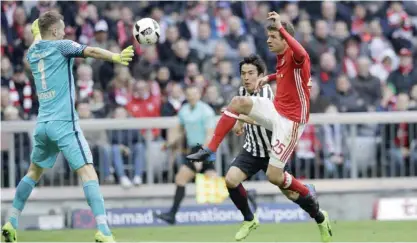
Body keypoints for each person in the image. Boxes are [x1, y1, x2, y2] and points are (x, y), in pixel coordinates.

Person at [187, 12, 332, 242]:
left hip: (291, 121)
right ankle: (210, 150)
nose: (268, 40)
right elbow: (285, 74)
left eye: (273, 36)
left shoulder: (296, 55)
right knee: (237, 102)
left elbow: (302, 54)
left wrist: (281, 28)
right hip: (276, 112)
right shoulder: (281, 57)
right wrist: (272, 76)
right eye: (269, 36)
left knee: (276, 178)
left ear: (285, 38)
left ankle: (316, 210)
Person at [2, 11, 134, 243]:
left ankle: (11, 221)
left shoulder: (33, 52)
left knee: (33, 172)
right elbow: (90, 51)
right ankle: (103, 230)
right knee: (88, 172)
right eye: (62, 28)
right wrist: (115, 57)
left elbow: (37, 37)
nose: (64, 32)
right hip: (64, 124)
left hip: (42, 124)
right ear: (54, 31)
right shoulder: (61, 46)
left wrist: (36, 31)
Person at [226, 54, 328, 241]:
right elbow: (241, 114)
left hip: (274, 149)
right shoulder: (241, 92)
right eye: (243, 73)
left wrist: (239, 118)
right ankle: (249, 219)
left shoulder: (267, 93)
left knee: (292, 195)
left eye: (250, 73)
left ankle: (320, 217)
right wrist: (239, 124)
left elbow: (268, 122)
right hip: (253, 149)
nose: (246, 77)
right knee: (231, 180)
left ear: (260, 75)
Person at [152, 85, 217, 224]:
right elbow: (180, 129)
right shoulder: (184, 110)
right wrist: (169, 143)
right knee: (214, 182)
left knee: (181, 178)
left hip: (203, 150)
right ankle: (247, 195)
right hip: (193, 149)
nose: (191, 97)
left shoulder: (206, 111)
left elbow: (210, 136)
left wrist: (201, 157)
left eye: (194, 94)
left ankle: (172, 214)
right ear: (186, 96)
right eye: (189, 94)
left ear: (199, 95)